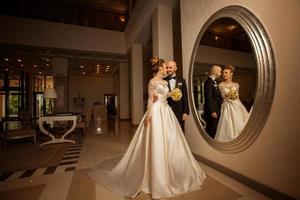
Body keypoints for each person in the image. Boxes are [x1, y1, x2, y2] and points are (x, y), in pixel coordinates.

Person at [89, 57, 206, 199]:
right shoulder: (152, 81)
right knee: (156, 140)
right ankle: (155, 171)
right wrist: (149, 114)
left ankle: (172, 168)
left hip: (166, 110)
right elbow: (151, 99)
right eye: (164, 67)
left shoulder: (164, 82)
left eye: (167, 68)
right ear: (159, 69)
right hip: (156, 111)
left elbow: (165, 95)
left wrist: (174, 94)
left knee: (171, 139)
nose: (166, 69)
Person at [215, 65, 250, 142]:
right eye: (223, 73)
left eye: (226, 73)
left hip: (237, 105)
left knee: (240, 123)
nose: (224, 74)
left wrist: (236, 100)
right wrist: (227, 95)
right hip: (227, 106)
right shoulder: (221, 85)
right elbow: (222, 97)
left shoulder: (236, 85)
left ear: (231, 74)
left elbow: (237, 97)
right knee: (228, 124)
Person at [164, 60, 189, 132]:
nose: (168, 70)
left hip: (180, 111)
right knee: (168, 131)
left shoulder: (182, 80)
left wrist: (185, 112)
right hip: (167, 110)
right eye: (167, 67)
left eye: (170, 67)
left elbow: (185, 97)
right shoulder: (163, 81)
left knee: (180, 130)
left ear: (175, 68)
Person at [203, 64, 223, 138]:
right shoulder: (208, 82)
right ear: (215, 71)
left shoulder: (214, 81)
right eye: (220, 71)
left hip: (216, 109)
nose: (220, 73)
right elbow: (208, 98)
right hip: (212, 111)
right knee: (211, 130)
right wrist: (212, 111)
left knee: (215, 130)